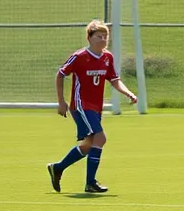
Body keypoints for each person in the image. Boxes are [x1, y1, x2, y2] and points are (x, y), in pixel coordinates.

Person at [46, 20, 138, 194]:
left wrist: (128, 93)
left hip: (96, 107)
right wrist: (61, 101)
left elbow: (114, 80)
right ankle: (90, 183)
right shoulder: (80, 57)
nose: (103, 40)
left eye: (105, 37)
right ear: (89, 38)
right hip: (81, 105)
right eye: (99, 36)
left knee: (89, 144)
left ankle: (58, 168)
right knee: (100, 138)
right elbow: (60, 75)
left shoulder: (107, 57)